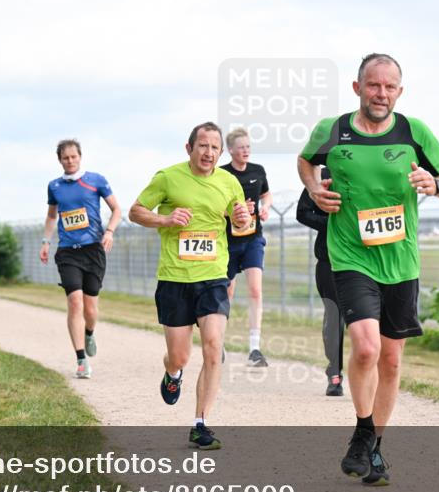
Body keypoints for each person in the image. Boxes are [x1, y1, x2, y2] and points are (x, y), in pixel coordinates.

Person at [297, 53, 439, 486]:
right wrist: (314, 189)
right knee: (366, 349)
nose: (381, 94)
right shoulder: (333, 130)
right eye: (373, 85)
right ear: (357, 88)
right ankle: (363, 429)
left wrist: (436, 184)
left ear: (399, 92)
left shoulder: (414, 131)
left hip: (401, 261)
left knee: (390, 360)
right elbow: (306, 161)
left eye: (389, 87)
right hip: (350, 255)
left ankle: (374, 445)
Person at [129, 121, 250, 450]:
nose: (209, 152)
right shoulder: (167, 177)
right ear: (189, 148)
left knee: (213, 348)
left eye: (215, 148)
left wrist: (242, 219)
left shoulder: (229, 182)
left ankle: (200, 423)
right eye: (203, 146)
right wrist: (166, 219)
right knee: (180, 356)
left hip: (213, 277)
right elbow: (136, 212)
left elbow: (242, 225)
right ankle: (173, 373)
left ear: (220, 153)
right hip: (174, 278)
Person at [39, 139, 122, 379]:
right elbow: (52, 216)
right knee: (74, 302)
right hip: (67, 252)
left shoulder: (96, 180)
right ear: (60, 160)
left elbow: (117, 209)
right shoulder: (54, 186)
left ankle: (89, 332)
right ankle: (81, 360)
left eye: (73, 157)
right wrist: (46, 242)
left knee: (91, 308)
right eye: (65, 158)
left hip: (93, 250)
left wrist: (109, 232)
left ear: (80, 156)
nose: (70, 161)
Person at [220, 128, 273, 367]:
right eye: (241, 147)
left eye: (248, 147)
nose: (246, 151)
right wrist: (235, 210)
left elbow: (267, 194)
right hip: (228, 241)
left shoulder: (258, 171)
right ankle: (218, 342)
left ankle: (254, 348)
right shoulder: (221, 175)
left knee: (255, 290)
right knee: (227, 292)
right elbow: (215, 207)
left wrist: (266, 207)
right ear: (231, 150)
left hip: (253, 238)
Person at [296, 167, 345, 396]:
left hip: (369, 259)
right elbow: (302, 213)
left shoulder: (369, 170)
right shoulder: (322, 176)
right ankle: (334, 373)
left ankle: (372, 373)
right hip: (329, 260)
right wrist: (333, 224)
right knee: (335, 317)